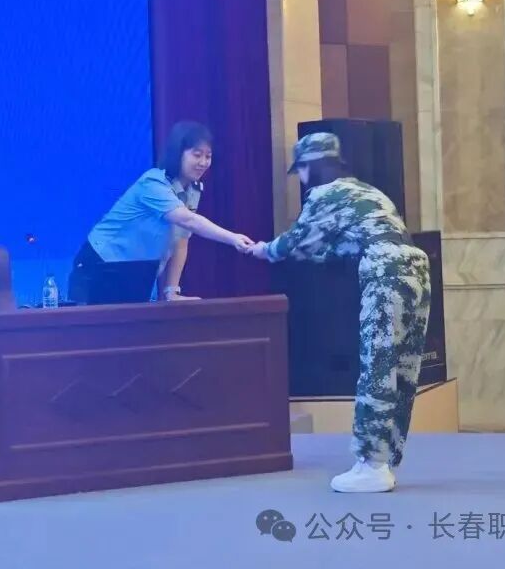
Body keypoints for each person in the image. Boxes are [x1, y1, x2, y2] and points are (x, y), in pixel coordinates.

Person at [248, 133, 431, 493]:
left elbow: (296, 241)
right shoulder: (366, 191)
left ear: (310, 166)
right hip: (416, 268)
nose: (301, 180)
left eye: (301, 170)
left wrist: (263, 250)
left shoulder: (325, 195)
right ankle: (387, 457)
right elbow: (336, 248)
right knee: (403, 368)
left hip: (385, 271)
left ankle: (371, 464)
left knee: (378, 363)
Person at [69, 122, 254, 303]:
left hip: (138, 272)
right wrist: (233, 238)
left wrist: (171, 291)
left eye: (208, 156)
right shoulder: (153, 182)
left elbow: (181, 240)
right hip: (100, 264)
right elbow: (188, 220)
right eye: (197, 155)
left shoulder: (193, 190)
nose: (203, 163)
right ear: (178, 153)